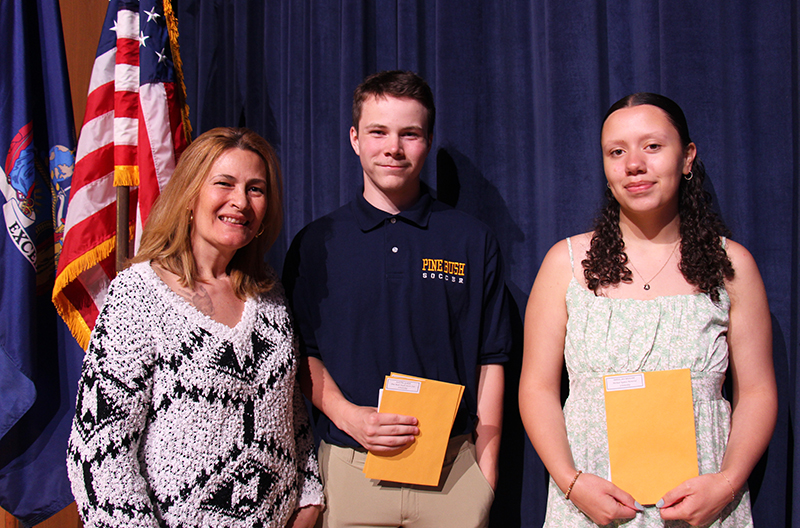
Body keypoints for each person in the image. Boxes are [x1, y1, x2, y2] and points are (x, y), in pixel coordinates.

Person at [519, 93, 777, 527]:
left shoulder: (732, 266)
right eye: (616, 152)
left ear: (687, 157)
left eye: (652, 146)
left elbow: (756, 392)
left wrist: (727, 483)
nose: (633, 164)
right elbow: (537, 389)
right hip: (590, 508)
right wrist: (572, 482)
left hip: (704, 509)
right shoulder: (564, 264)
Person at [282, 70, 511, 528]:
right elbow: (299, 353)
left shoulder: (471, 239)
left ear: (427, 140)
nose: (394, 147)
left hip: (453, 471)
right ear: (354, 138)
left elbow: (492, 359)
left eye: (410, 133)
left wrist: (486, 472)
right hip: (350, 470)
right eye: (378, 132)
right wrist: (350, 418)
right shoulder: (316, 243)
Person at [67, 127, 323, 528]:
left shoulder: (270, 295)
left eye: (256, 189)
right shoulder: (139, 295)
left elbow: (292, 419)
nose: (240, 201)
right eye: (224, 183)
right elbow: (100, 451)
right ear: (190, 194)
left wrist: (308, 503)